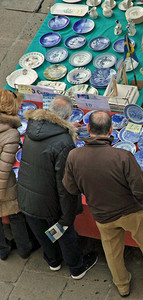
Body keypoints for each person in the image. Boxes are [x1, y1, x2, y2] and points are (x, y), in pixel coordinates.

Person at [62, 111, 143, 297]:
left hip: (102, 215)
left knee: (112, 252)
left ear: (88, 129)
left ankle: (122, 285)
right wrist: (139, 200)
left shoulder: (73, 156)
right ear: (111, 130)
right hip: (131, 212)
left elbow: (70, 188)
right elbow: (141, 188)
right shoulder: (122, 156)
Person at [17, 95, 98, 279]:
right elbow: (65, 183)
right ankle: (77, 268)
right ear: (67, 117)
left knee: (41, 231)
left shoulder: (32, 125)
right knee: (64, 233)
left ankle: (53, 261)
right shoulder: (64, 142)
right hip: (49, 199)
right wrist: (67, 215)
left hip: (26, 194)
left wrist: (68, 131)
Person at [0, 90, 36, 261]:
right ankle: (24, 247)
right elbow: (4, 168)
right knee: (15, 214)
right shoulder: (11, 134)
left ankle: (3, 249)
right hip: (4, 185)